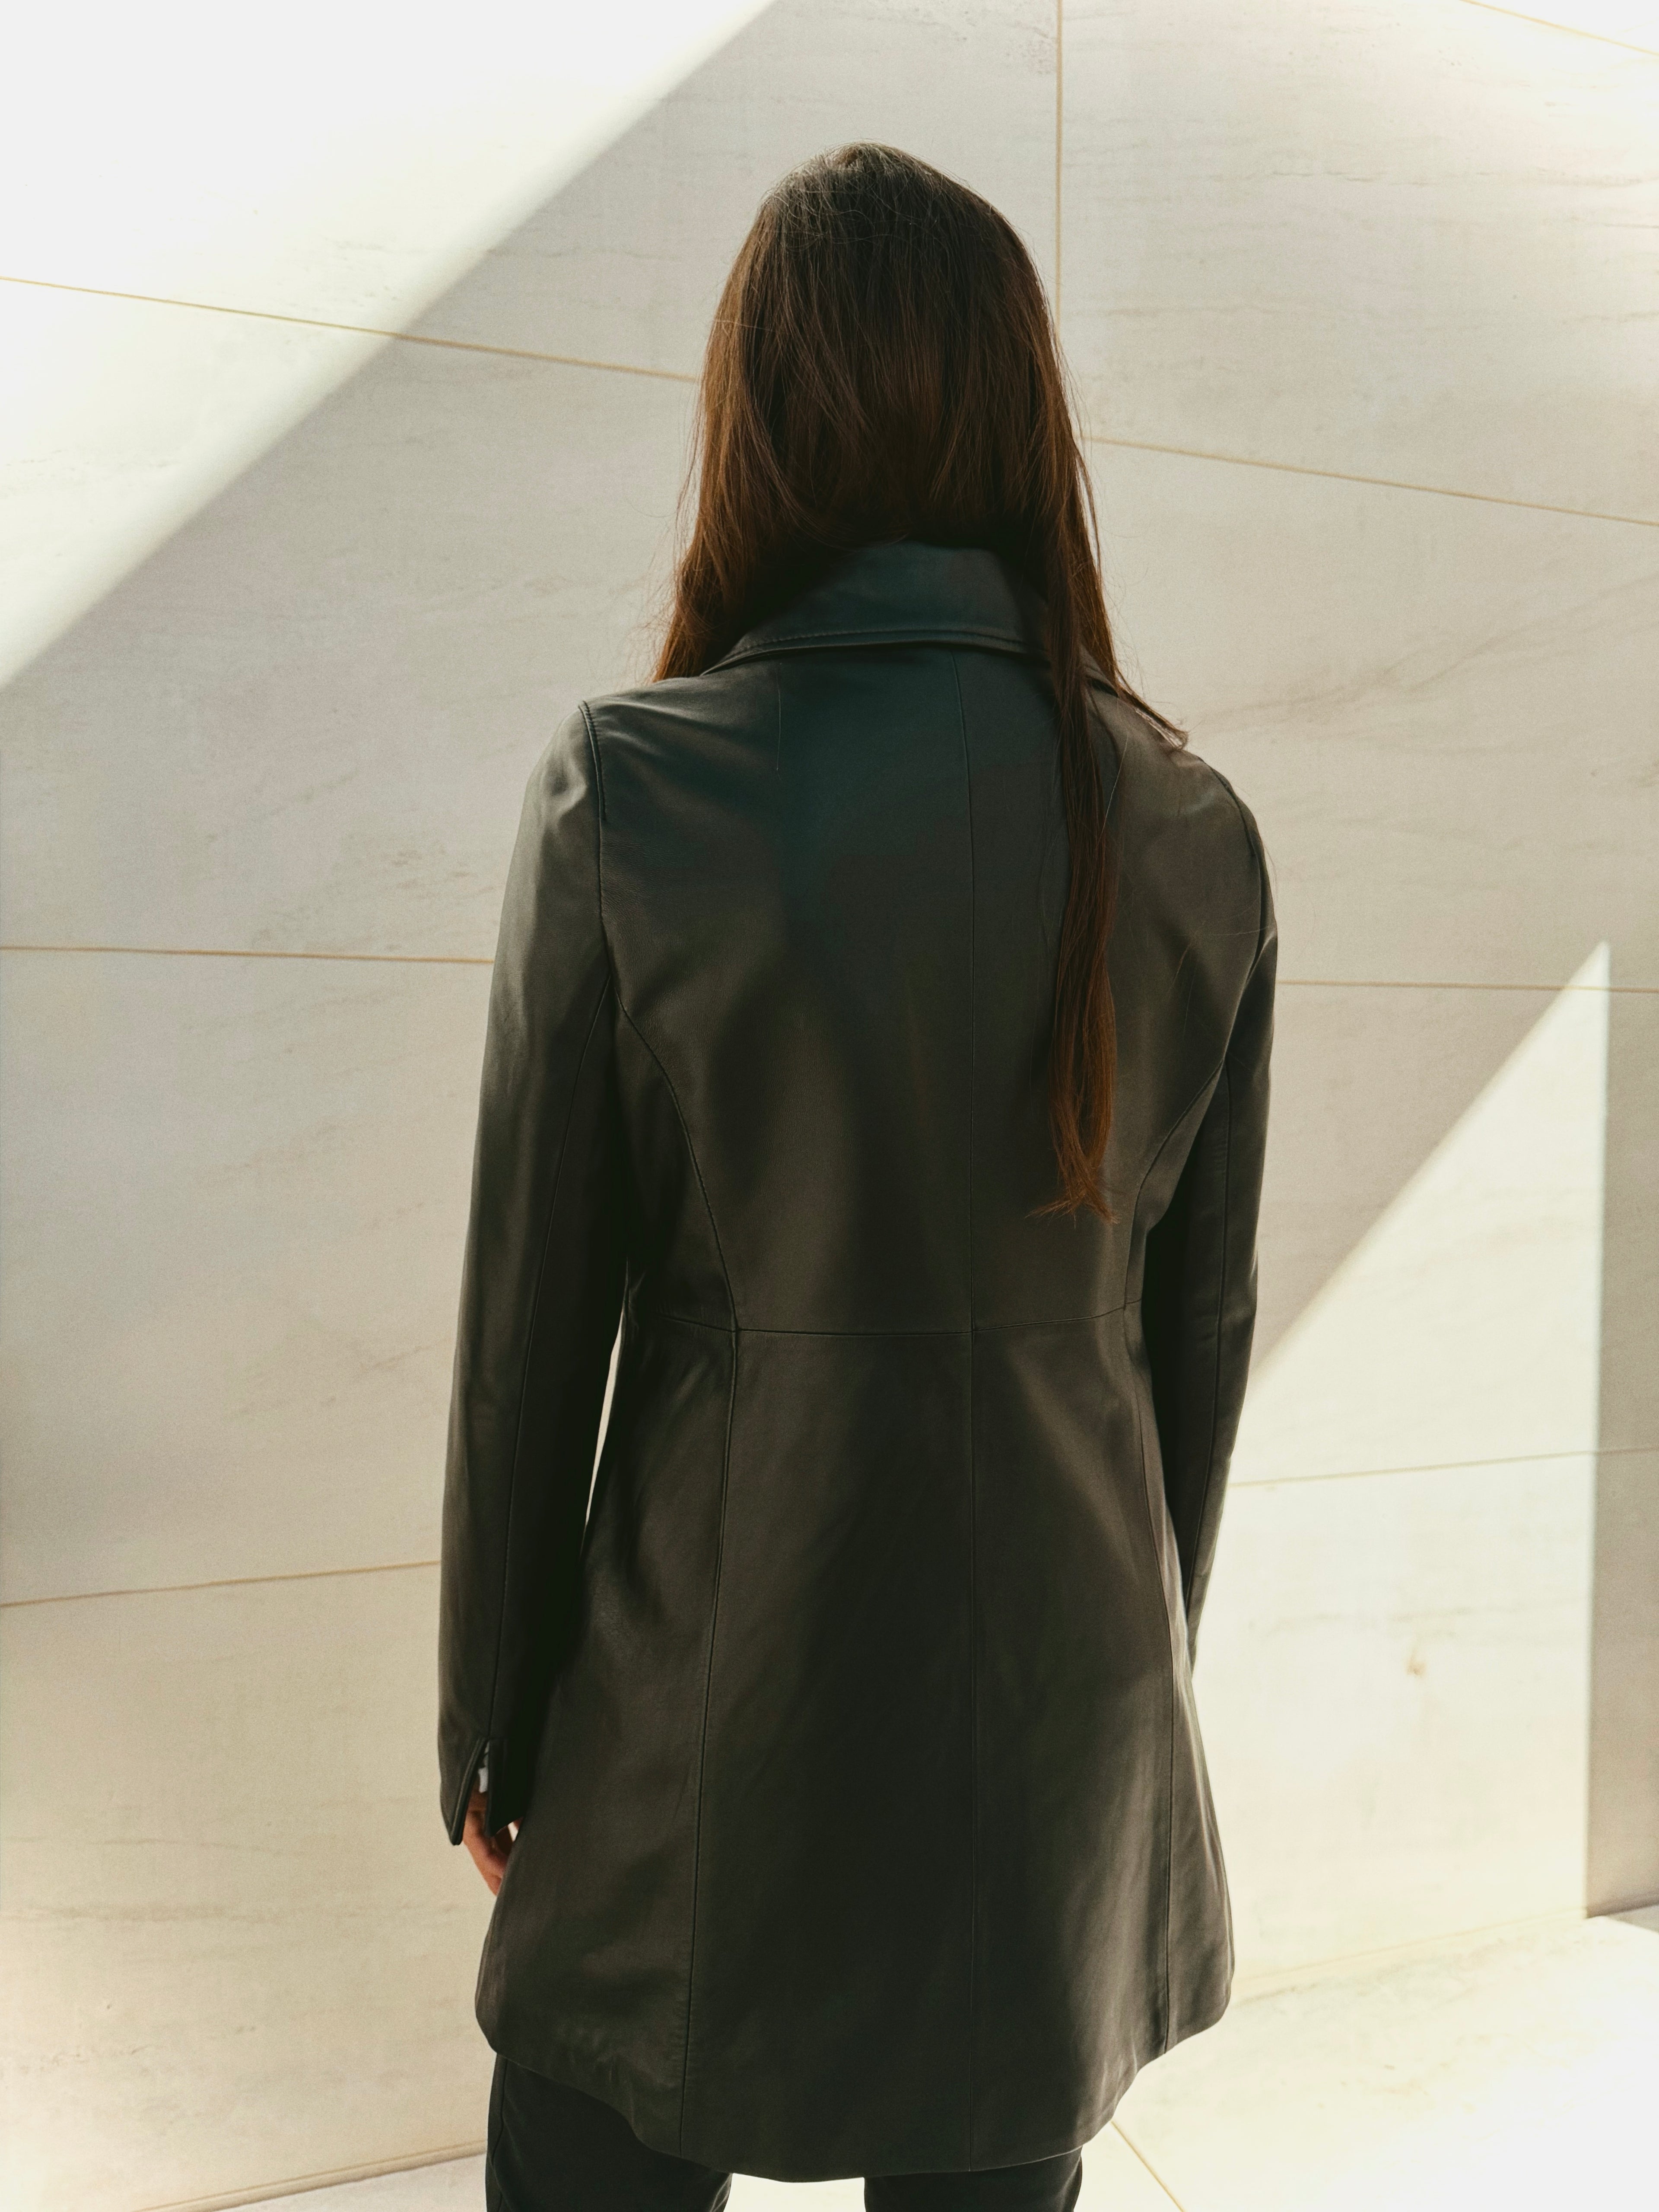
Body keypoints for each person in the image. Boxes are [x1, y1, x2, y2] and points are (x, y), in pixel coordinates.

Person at [438, 141, 1275, 2212]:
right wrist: (1128, 1694)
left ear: (764, 422)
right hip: (1057, 1741)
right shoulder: (1195, 825)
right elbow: (1203, 1336)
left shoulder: (636, 791)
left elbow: (534, 1331)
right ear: (1023, 426)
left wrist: (488, 1719)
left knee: (588, 2148)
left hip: (697, 1719)